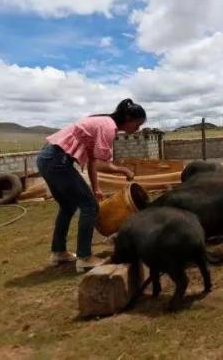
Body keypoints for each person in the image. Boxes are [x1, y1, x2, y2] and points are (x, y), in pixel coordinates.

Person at [37, 99, 146, 272]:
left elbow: (93, 162)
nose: (137, 129)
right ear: (128, 118)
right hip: (57, 161)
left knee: (67, 206)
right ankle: (84, 257)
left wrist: (96, 188)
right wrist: (123, 170)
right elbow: (102, 164)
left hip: (46, 158)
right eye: (137, 124)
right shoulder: (108, 127)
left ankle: (58, 252)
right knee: (89, 206)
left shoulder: (102, 122)